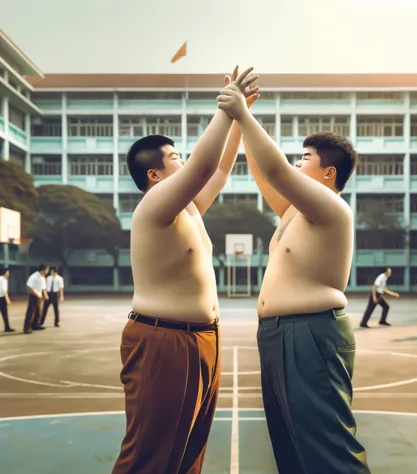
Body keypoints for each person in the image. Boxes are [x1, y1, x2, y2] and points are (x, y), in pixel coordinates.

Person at [112, 66, 258, 474]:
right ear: (154, 175)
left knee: (188, 452)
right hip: (164, 340)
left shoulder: (188, 208)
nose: (186, 160)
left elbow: (219, 170)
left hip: (201, 338)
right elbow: (203, 167)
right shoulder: (154, 205)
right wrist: (228, 106)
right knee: (149, 455)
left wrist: (239, 115)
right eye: (177, 157)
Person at [217, 89, 370, 473]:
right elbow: (264, 173)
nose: (296, 164)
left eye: (305, 159)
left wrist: (245, 118)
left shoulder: (331, 207)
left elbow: (276, 171)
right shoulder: (293, 211)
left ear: (328, 172)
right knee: (291, 451)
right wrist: (241, 120)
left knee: (328, 451)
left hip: (311, 333)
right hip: (278, 334)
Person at [23, 264, 49, 334]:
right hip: (33, 296)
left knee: (38, 312)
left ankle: (35, 325)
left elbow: (43, 288)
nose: (47, 271)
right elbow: (29, 287)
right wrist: (37, 294)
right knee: (31, 312)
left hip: (39, 297)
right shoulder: (34, 276)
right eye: (47, 269)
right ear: (43, 270)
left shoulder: (42, 277)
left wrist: (45, 295)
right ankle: (27, 328)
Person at [0, 267, 14, 332]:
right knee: (4, 314)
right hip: (2, 299)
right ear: (5, 272)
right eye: (8, 272)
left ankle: (7, 327)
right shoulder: (4, 280)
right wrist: (7, 299)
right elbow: (4, 290)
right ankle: (7, 327)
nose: (8, 273)